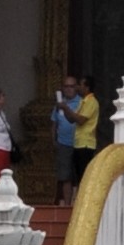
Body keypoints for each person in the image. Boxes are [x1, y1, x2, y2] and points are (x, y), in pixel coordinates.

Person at [53, 73, 81, 204]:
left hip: (79, 144)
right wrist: (54, 141)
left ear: (77, 88)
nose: (69, 89)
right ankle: (67, 207)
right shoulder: (58, 105)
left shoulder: (82, 103)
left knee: (80, 176)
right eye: (66, 86)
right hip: (63, 144)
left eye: (72, 86)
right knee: (65, 177)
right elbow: (54, 124)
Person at [71, 73, 101, 185]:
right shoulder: (82, 101)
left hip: (86, 143)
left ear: (87, 87)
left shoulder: (92, 101)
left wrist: (65, 108)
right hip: (78, 142)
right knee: (78, 175)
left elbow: (80, 120)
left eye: (80, 84)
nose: (78, 87)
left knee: (84, 175)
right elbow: (72, 119)